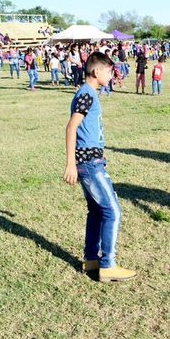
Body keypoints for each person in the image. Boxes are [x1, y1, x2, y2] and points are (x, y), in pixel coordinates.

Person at [63, 52, 137, 282]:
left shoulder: (87, 93)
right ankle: (107, 265)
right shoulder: (87, 94)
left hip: (90, 162)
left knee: (96, 212)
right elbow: (71, 128)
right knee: (112, 211)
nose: (111, 75)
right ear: (96, 72)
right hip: (89, 164)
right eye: (108, 71)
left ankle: (91, 259)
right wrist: (70, 164)